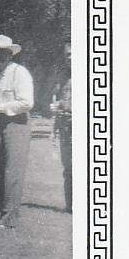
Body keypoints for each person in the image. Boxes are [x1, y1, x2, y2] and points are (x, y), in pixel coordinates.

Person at [0, 34, 34, 228]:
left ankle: (8, 216)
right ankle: (3, 212)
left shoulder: (19, 73)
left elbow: (27, 102)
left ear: (10, 54)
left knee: (12, 170)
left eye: (3, 52)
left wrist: (1, 108)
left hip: (17, 123)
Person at [51, 42, 72, 213]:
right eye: (67, 54)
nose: (70, 57)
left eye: (73, 53)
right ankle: (70, 205)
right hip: (64, 126)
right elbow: (56, 99)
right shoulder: (62, 76)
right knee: (68, 166)